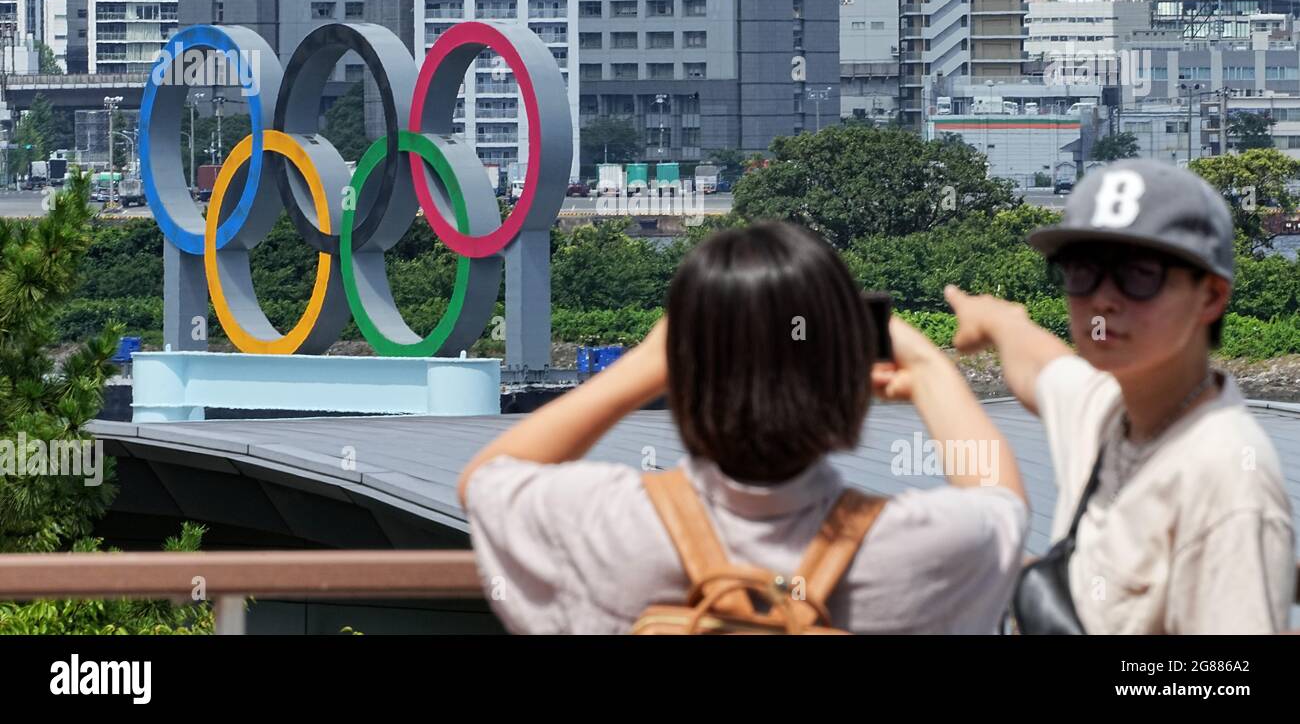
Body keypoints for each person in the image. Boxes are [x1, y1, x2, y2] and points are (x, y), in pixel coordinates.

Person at [457, 221, 1028, 634]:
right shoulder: (926, 544)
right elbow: (1001, 503)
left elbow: (485, 480)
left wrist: (645, 363)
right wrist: (929, 369)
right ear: (851, 382)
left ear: (681, 375)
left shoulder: (603, 523)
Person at [946, 159, 1295, 634]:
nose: (1103, 300)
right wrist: (990, 319)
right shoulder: (1114, 410)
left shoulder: (1226, 478)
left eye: (1139, 274)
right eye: (1083, 270)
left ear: (1211, 296)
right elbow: (1040, 365)